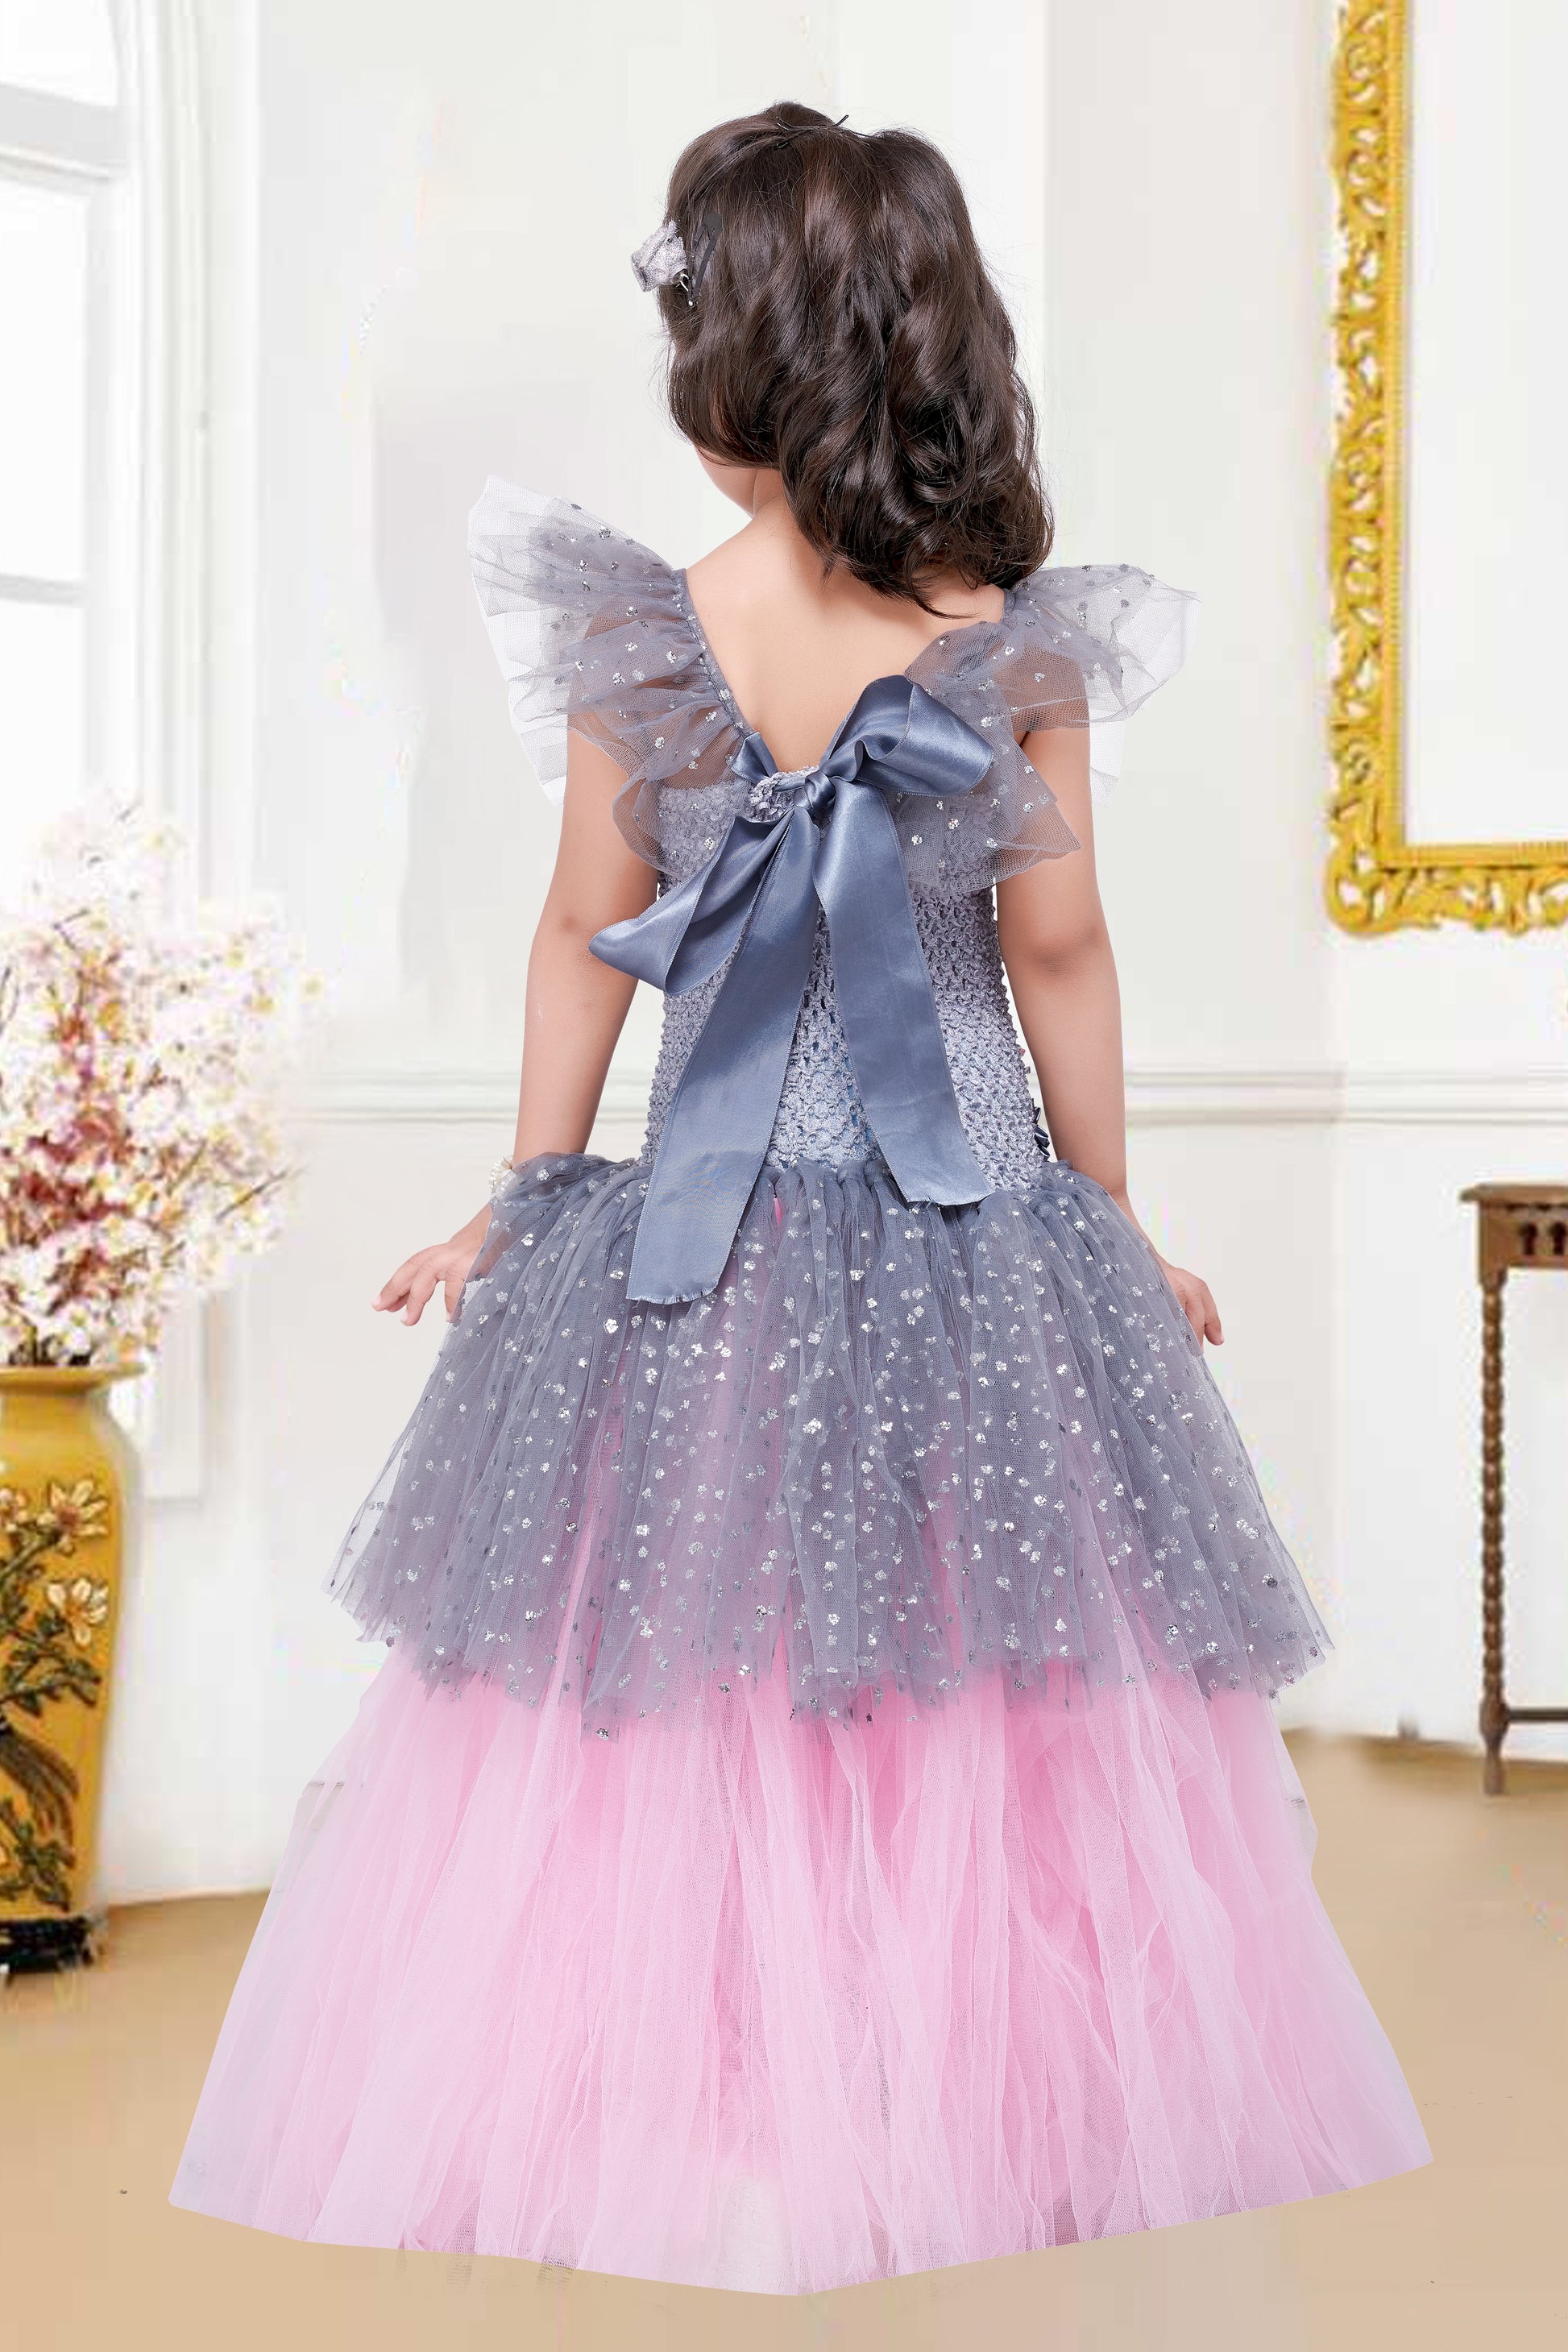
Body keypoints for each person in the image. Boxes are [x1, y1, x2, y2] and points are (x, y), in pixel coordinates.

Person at [171, 102, 1429, 2292]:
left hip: (707, 1246)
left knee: (701, 1649)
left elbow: (581, 931)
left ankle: (757, 2097)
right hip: (967, 1233)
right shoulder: (1007, 644)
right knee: (962, 1650)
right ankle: (936, 2092)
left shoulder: (658, 632)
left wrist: (528, 1185)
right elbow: (1055, 952)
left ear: (743, 363)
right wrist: (1109, 1217)